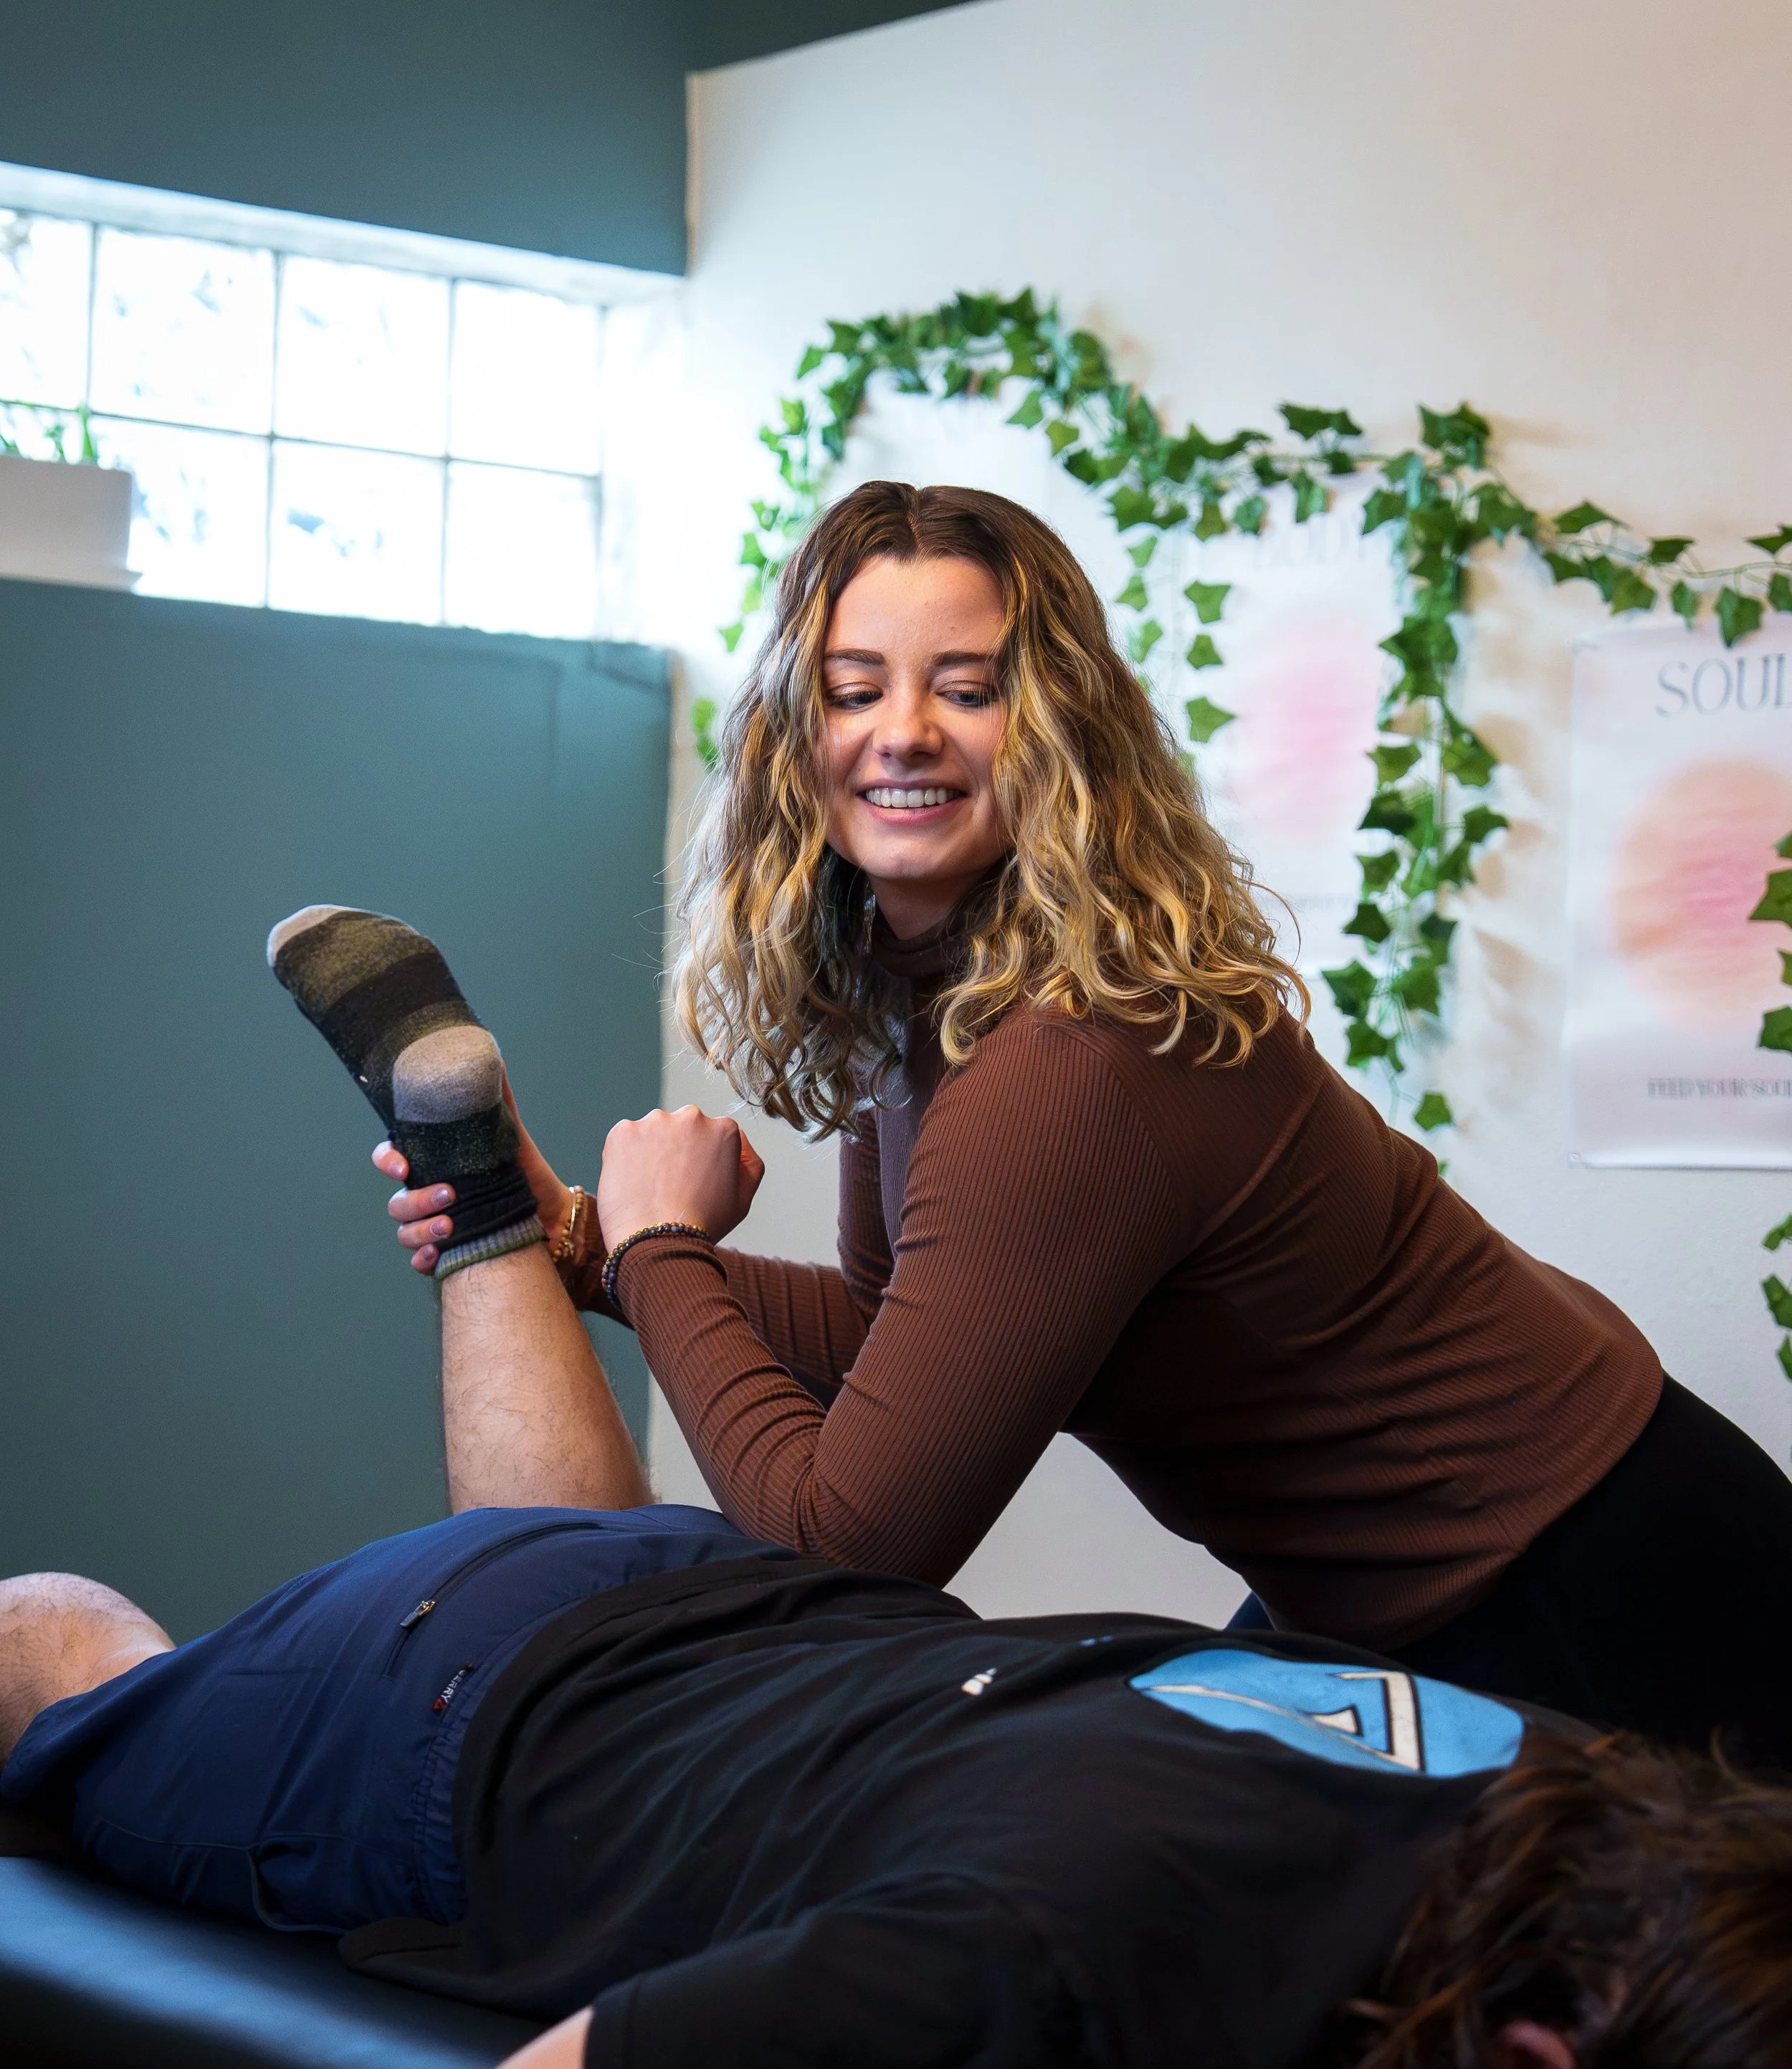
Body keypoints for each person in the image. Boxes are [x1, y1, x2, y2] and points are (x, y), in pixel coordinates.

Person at [343, 479, 1792, 1767]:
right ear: (795, 733)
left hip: (1593, 1571)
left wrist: (662, 1245)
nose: (901, 731)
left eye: (964, 687)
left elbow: (850, 1539)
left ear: (1051, 726)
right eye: (852, 688)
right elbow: (894, 1335)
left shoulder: (1065, 1056)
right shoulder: (938, 1001)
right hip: (1398, 1575)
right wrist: (593, 1247)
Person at [6, 1500, 1792, 2069]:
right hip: (426, 1710)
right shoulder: (1048, 1977)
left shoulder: (1588, 1781)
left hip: (719, 1590)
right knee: (71, 1660)